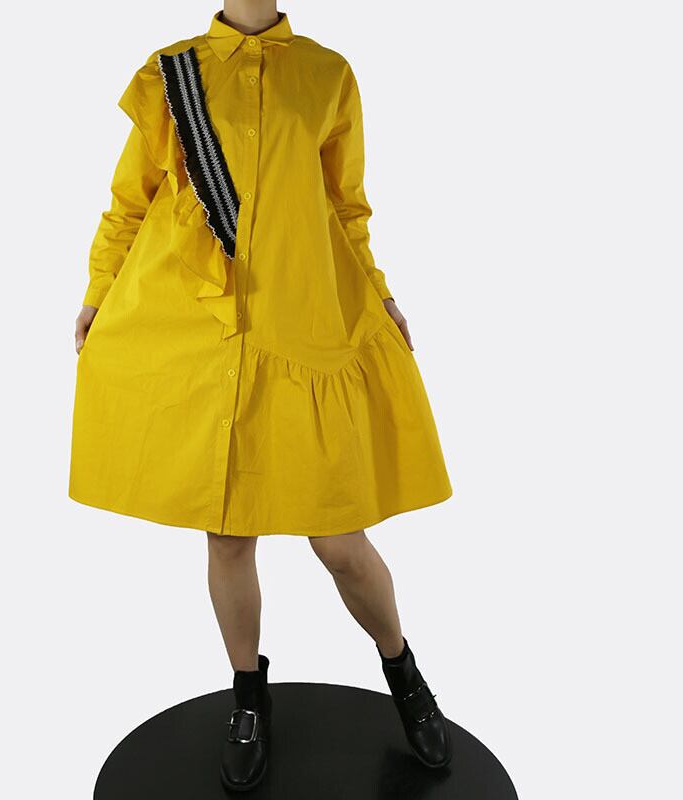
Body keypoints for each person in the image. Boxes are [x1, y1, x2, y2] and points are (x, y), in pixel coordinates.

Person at [70, 2, 454, 791]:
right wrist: (100, 291)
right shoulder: (170, 73)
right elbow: (132, 200)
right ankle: (248, 697)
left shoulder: (326, 74)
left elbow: (345, 206)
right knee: (227, 537)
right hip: (201, 333)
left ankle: (404, 673)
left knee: (338, 539)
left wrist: (379, 292)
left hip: (300, 333)